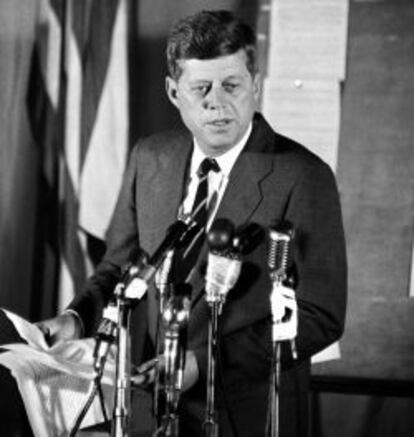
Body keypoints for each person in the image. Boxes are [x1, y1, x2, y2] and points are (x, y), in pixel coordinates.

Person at [38, 9, 347, 437]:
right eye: (201, 88)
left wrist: (203, 363)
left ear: (255, 86)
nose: (216, 102)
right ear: (173, 91)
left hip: (251, 415)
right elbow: (120, 269)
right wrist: (76, 318)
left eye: (231, 85)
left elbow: (319, 316)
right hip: (152, 412)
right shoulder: (150, 158)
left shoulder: (303, 176)